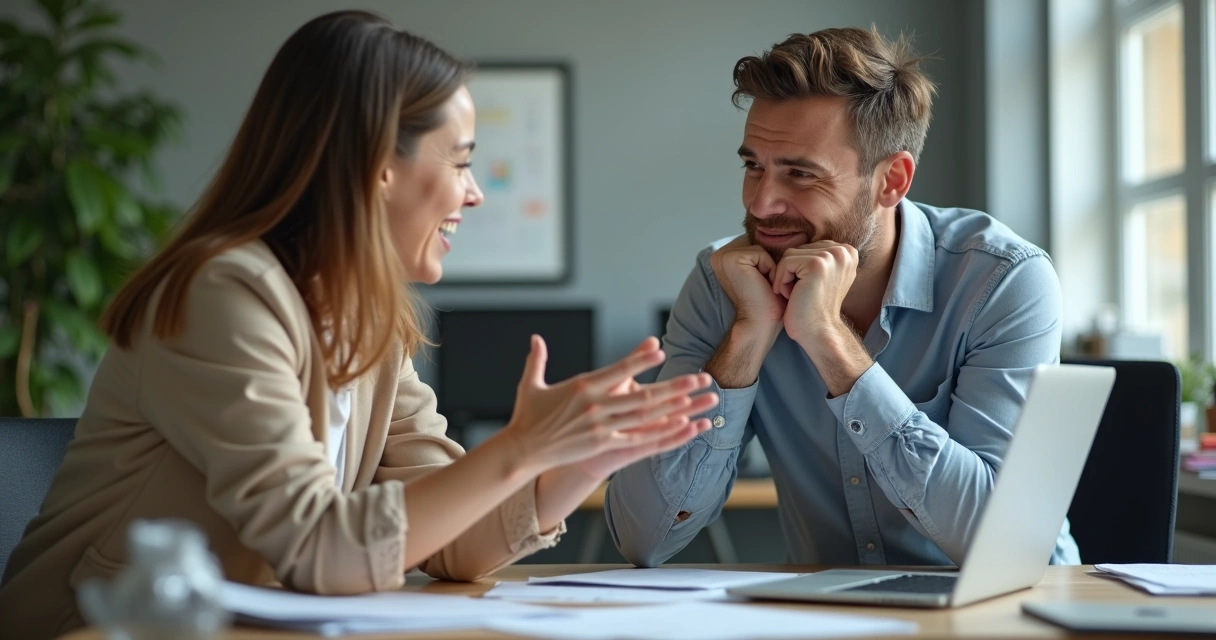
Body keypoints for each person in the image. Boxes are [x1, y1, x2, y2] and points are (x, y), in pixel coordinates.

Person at [0, 11, 717, 639]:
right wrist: (520, 446)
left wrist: (573, 461)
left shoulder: (366, 318)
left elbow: (452, 544)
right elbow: (318, 548)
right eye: (461, 162)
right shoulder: (222, 294)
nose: (473, 193)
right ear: (378, 165)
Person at [605, 26, 1075, 569]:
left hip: (1008, 604)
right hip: (823, 608)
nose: (761, 203)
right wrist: (746, 338)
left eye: (800, 174)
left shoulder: (1002, 282)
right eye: (754, 166)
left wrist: (829, 342)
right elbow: (644, 537)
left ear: (891, 181)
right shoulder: (724, 284)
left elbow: (1003, 545)